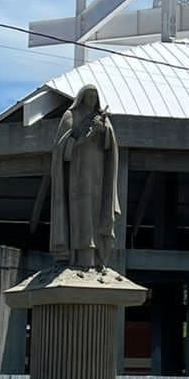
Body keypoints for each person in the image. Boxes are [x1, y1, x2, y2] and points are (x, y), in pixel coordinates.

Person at [49, 84, 121, 269]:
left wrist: (103, 130)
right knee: (81, 212)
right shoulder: (70, 116)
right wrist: (84, 137)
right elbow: (61, 150)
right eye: (88, 95)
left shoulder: (101, 118)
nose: (91, 99)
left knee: (97, 211)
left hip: (98, 172)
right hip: (78, 173)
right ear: (81, 97)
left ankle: (98, 258)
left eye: (94, 96)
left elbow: (110, 147)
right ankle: (79, 257)